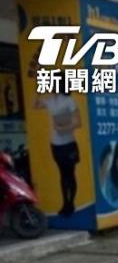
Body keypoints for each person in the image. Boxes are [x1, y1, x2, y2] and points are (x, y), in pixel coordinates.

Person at [34, 87, 81, 217]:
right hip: (55, 144)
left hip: (69, 143)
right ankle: (65, 203)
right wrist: (38, 92)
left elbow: (78, 123)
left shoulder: (69, 101)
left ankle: (70, 204)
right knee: (63, 175)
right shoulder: (49, 101)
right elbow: (35, 106)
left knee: (70, 174)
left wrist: (62, 128)